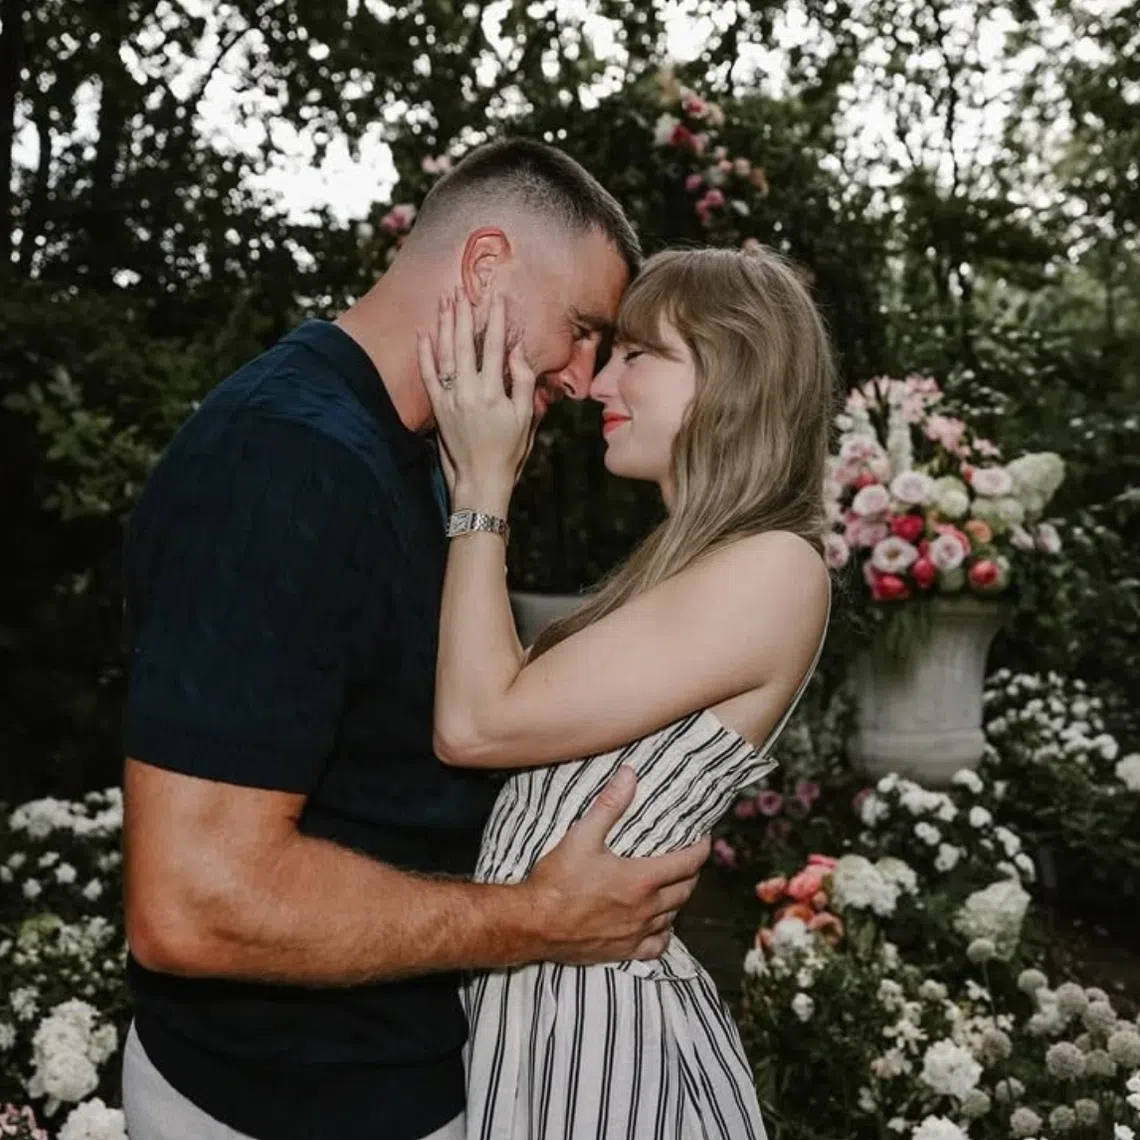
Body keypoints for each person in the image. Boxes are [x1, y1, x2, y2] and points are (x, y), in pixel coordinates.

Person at [118, 139, 709, 1140]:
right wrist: (541, 920)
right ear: (485, 266)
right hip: (277, 1106)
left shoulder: (413, 458)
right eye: (580, 331)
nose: (581, 377)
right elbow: (193, 902)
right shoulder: (291, 458)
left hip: (377, 1072)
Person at [418, 245, 835, 1139]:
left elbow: (477, 721)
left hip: (599, 1031)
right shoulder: (685, 567)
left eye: (637, 354)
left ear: (733, 370)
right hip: (543, 1002)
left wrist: (485, 488)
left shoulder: (776, 568)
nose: (600, 383)